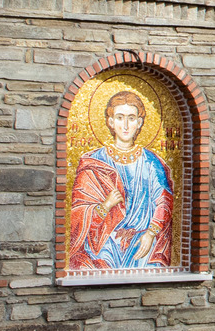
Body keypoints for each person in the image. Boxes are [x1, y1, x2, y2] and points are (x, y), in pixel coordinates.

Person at [67, 90, 174, 270]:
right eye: (119, 117)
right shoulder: (94, 161)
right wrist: (105, 206)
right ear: (110, 122)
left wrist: (150, 233)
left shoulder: (151, 161)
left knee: (148, 265)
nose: (125, 125)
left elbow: (164, 201)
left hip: (142, 239)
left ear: (139, 123)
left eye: (131, 118)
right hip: (104, 241)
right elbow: (78, 213)